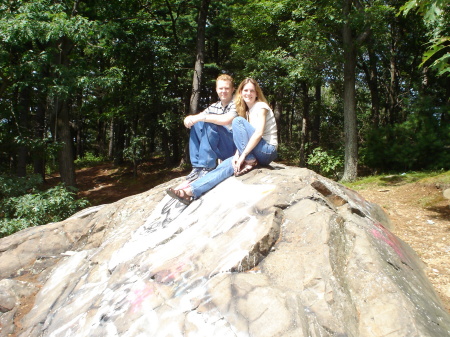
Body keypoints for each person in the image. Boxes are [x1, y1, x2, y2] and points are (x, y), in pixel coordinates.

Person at [167, 78, 278, 205]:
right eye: (245, 90)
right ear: (241, 92)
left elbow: (258, 134)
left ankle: (248, 161)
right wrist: (238, 156)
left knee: (236, 122)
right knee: (229, 165)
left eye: (252, 91)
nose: (248, 93)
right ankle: (190, 192)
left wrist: (244, 156)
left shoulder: (261, 107)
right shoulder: (247, 111)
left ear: (257, 93)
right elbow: (243, 139)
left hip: (267, 150)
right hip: (251, 150)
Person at [184, 74, 238, 182]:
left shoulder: (237, 104)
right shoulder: (215, 106)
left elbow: (226, 120)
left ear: (232, 89)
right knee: (198, 123)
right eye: (221, 88)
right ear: (216, 89)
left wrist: (202, 118)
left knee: (209, 121)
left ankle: (207, 167)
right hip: (219, 147)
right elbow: (198, 117)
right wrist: (189, 119)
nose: (223, 91)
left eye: (227, 88)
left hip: (233, 148)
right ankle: (197, 167)